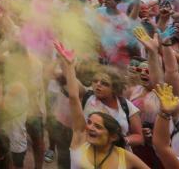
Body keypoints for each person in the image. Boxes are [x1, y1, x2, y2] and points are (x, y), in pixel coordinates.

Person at [54, 41, 149, 169]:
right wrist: (68, 65)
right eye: (95, 81)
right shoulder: (88, 96)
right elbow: (73, 95)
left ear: (114, 88)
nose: (98, 85)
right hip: (89, 150)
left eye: (104, 83)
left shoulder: (126, 106)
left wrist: (121, 141)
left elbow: (139, 137)